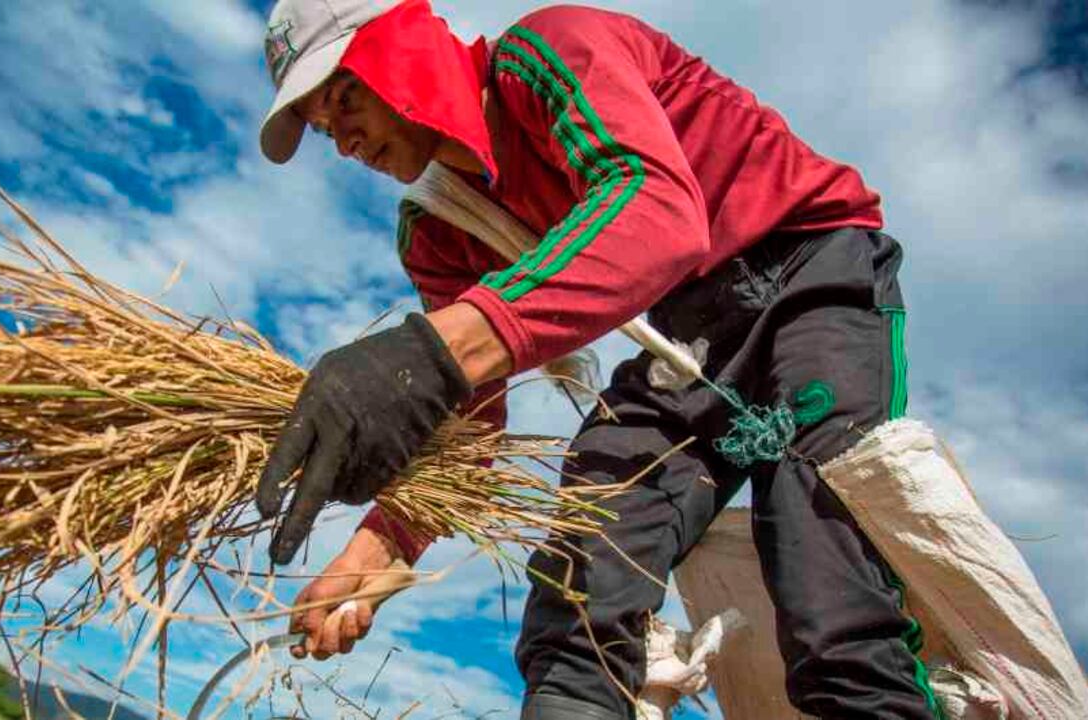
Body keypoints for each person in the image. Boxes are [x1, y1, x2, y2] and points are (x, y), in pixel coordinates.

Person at [253, 1, 944, 718]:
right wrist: (376, 551)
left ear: (405, 44)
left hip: (808, 271)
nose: (343, 142)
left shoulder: (549, 51)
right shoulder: (440, 226)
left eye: (344, 97)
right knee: (580, 592)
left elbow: (658, 213)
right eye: (323, 128)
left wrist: (437, 349)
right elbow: (468, 409)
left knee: (830, 595)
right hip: (685, 344)